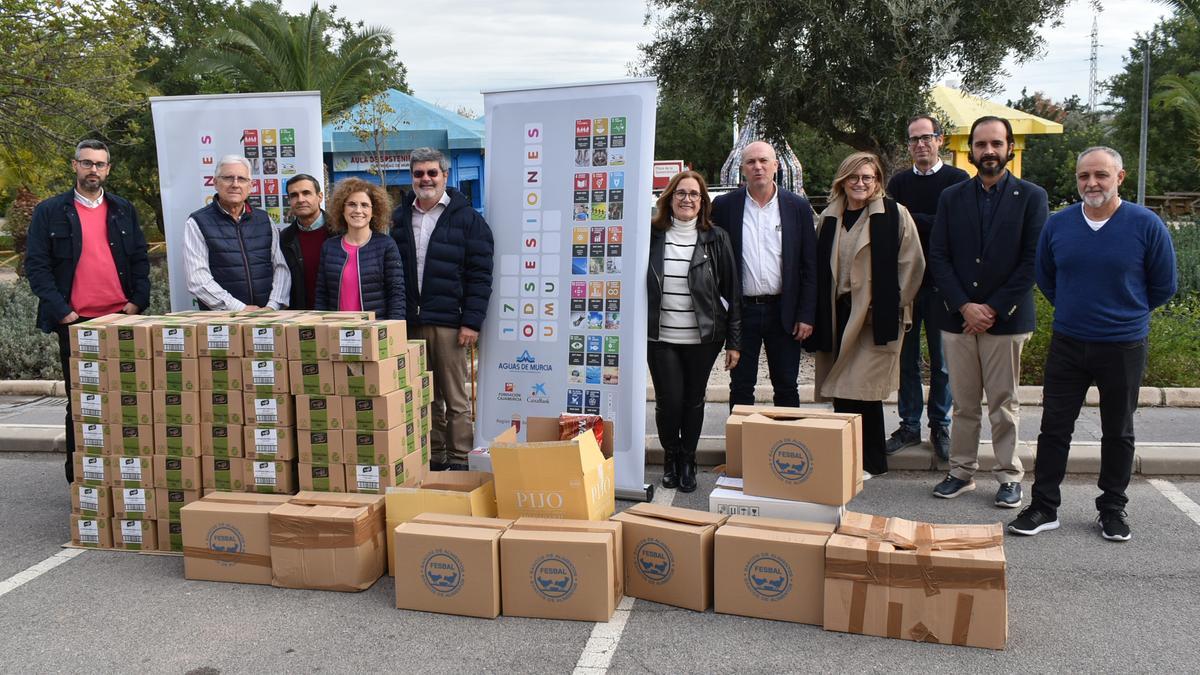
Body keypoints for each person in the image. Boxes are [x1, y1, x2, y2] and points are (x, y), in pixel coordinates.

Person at [1009, 146, 1177, 541]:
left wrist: (1124, 314)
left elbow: (1164, 285)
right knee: (1053, 429)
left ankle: (1112, 509)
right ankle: (1044, 507)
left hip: (1123, 346)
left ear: (1119, 178)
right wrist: (1075, 309)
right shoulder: (1059, 224)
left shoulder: (1145, 224)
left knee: (1118, 431)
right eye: (1084, 176)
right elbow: (1047, 277)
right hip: (1069, 342)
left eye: (1101, 175)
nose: (1091, 183)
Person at [927, 116, 1048, 508]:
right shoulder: (952, 196)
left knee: (1004, 402)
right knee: (962, 404)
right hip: (957, 318)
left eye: (996, 144)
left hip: (1007, 320)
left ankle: (1010, 476)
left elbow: (1032, 261)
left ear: (1009, 147)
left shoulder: (1032, 197)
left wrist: (991, 308)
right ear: (972, 150)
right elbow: (939, 256)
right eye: (981, 145)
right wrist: (964, 305)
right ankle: (961, 471)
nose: (988, 152)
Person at [24, 139, 150, 483]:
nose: (93, 169)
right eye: (87, 163)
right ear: (74, 166)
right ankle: (81, 482)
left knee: (128, 401)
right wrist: (62, 311)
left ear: (108, 169)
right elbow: (36, 266)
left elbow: (140, 258)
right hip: (77, 322)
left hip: (120, 319)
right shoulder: (50, 211)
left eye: (100, 164)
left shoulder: (123, 209)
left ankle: (125, 476)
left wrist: (137, 302)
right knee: (82, 404)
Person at [804, 152, 924, 478]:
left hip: (874, 316)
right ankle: (849, 457)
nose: (860, 184)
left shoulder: (894, 215)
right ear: (843, 180)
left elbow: (912, 266)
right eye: (854, 177)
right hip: (838, 313)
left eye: (867, 178)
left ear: (877, 182)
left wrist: (891, 304)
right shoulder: (829, 217)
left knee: (863, 390)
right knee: (842, 389)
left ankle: (871, 460)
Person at [390, 147, 494, 470]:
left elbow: (480, 275)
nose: (426, 179)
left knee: (456, 398)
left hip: (450, 323)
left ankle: (461, 459)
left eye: (432, 172)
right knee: (425, 395)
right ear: (411, 177)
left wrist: (471, 322)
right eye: (419, 173)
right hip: (411, 322)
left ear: (445, 176)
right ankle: (435, 457)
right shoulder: (399, 217)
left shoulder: (468, 220)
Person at [648, 171, 742, 493]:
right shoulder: (651, 235)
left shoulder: (716, 238)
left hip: (704, 337)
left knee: (693, 400)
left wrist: (734, 341)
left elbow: (733, 291)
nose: (687, 199)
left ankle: (688, 460)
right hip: (660, 338)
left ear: (702, 202)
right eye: (680, 193)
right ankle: (670, 458)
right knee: (668, 401)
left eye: (694, 194)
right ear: (669, 198)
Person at [885, 115, 970, 460]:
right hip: (906, 284)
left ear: (940, 140)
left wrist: (912, 219)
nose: (920, 144)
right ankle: (909, 425)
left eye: (927, 137)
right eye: (914, 139)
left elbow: (955, 228)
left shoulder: (957, 181)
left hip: (943, 284)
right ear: (908, 145)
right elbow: (891, 225)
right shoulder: (899, 182)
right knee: (905, 359)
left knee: (942, 362)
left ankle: (940, 425)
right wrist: (925, 222)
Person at [712, 140, 816, 408]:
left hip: (785, 310)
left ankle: (787, 447)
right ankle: (743, 448)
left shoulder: (797, 208)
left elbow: (809, 265)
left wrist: (806, 314)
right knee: (741, 386)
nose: (758, 166)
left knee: (786, 386)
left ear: (776, 166)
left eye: (764, 161)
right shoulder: (725, 207)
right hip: (741, 311)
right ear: (743, 169)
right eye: (751, 162)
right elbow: (714, 261)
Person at [183, 155, 290, 310]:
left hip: (266, 316)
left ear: (251, 185)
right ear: (215, 183)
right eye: (228, 178)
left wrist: (272, 306)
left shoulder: (264, 220)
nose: (235, 184)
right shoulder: (197, 222)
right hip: (223, 323)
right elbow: (197, 279)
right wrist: (239, 309)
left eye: (241, 179)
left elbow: (280, 267)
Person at [314, 178, 405, 319]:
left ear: (373, 211)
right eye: (351, 204)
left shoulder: (386, 245)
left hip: (374, 331)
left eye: (364, 205)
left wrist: (391, 330)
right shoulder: (329, 247)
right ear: (342, 210)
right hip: (337, 330)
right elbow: (321, 294)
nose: (358, 210)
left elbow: (396, 294)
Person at [280, 174, 328, 310]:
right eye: (294, 195)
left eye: (306, 193)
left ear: (320, 197)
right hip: (300, 318)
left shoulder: (340, 232)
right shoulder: (284, 239)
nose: (300, 200)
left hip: (337, 316)